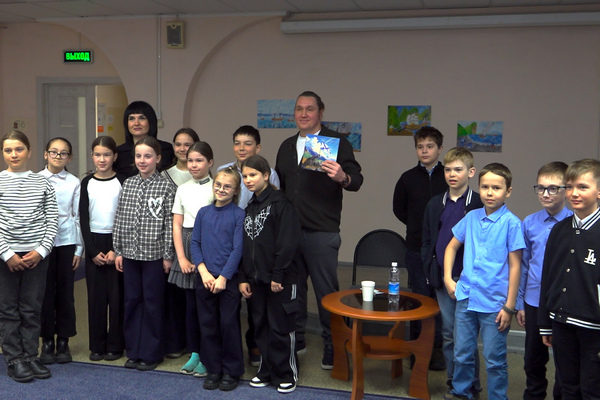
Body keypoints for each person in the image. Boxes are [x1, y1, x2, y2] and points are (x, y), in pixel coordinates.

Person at [275, 91, 363, 369]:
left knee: (327, 293)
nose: (303, 114)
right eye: (299, 109)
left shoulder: (336, 142)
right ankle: (298, 340)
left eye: (309, 109)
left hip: (322, 232)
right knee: (294, 291)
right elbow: (280, 186)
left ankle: (333, 346)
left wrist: (342, 177)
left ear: (320, 113)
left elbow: (357, 180)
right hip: (290, 233)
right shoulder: (286, 146)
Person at [444, 163, 525, 400]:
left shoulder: (512, 223)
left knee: (494, 359)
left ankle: (497, 397)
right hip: (467, 298)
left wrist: (510, 307)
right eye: (485, 187)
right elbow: (451, 247)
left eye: (496, 188)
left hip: (495, 305)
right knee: (462, 354)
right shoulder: (471, 217)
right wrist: (448, 278)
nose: (490, 192)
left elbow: (516, 266)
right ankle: (461, 393)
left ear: (508, 191)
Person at [421, 147, 483, 399]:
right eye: (448, 170)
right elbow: (427, 239)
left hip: (469, 280)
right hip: (444, 279)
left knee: (465, 336)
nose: (452, 174)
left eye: (458, 169)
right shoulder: (436, 203)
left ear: (471, 172)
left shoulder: (479, 203)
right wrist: (430, 268)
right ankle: (453, 380)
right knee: (448, 334)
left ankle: (471, 385)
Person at [217, 124, 279, 366]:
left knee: (255, 297)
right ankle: (228, 349)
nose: (241, 148)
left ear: (258, 147)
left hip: (255, 238)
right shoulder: (223, 171)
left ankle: (255, 344)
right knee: (230, 294)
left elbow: (272, 205)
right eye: (237, 143)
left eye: (248, 144)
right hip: (229, 238)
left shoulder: (269, 172)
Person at [538, 158, 600, 399]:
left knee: (592, 388)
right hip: (561, 323)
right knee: (567, 386)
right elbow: (548, 277)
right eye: (570, 186)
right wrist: (545, 322)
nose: (574, 193)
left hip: (593, 328)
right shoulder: (559, 229)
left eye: (583, 187)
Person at [113, 136, 176, 371]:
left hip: (154, 256)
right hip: (129, 254)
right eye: (138, 156)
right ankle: (134, 350)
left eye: (147, 156)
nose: (142, 160)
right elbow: (120, 218)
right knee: (132, 301)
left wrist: (168, 255)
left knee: (152, 303)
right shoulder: (128, 184)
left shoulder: (167, 187)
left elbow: (170, 224)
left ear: (157, 159)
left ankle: (151, 352)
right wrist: (118, 250)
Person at [239, 155, 301, 394]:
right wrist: (244, 277)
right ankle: (266, 370)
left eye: (253, 175)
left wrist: (278, 274)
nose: (248, 180)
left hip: (280, 279)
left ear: (266, 175)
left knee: (280, 326)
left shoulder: (280, 204)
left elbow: (287, 243)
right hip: (257, 280)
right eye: (245, 176)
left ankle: (286, 373)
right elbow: (246, 247)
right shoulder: (249, 208)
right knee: (261, 326)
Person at [0, 130, 58, 383]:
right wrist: (7, 253)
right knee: (8, 310)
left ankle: (30, 355)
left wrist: (41, 251)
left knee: (32, 308)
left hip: (36, 256)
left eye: (19, 149)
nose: (14, 154)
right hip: (6, 257)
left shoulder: (42, 182)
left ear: (29, 151)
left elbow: (52, 219)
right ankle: (14, 359)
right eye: (8, 150)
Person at [393, 126, 447, 370]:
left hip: (446, 250)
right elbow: (399, 209)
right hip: (416, 248)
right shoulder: (407, 178)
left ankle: (437, 350)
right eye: (420, 147)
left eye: (430, 146)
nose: (424, 151)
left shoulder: (449, 176)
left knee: (441, 301)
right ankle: (417, 349)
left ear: (440, 148)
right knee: (419, 299)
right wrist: (418, 227)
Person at [516, 162, 570, 400]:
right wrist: (520, 303)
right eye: (541, 188)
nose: (545, 194)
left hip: (562, 303)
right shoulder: (529, 223)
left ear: (566, 190)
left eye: (553, 188)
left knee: (565, 360)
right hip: (534, 301)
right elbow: (523, 265)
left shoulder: (573, 223)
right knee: (533, 358)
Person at [191, 166, 245, 391]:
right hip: (204, 278)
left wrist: (223, 277)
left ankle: (232, 370)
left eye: (227, 187)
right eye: (218, 185)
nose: (221, 189)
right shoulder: (203, 213)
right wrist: (203, 271)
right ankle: (213, 368)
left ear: (235, 190)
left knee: (228, 324)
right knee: (208, 324)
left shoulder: (238, 215)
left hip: (227, 280)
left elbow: (238, 249)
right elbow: (195, 243)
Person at [169, 141, 214, 377]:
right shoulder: (183, 188)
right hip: (186, 245)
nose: (194, 165)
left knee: (207, 306)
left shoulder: (217, 187)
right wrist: (181, 258)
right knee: (190, 307)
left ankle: (208, 354)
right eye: (190, 160)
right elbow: (177, 224)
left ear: (210, 162)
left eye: (199, 160)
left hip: (209, 244)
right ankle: (194, 352)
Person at [80, 136, 127, 362]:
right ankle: (97, 345)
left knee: (117, 299)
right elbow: (83, 218)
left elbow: (126, 217)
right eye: (97, 155)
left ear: (114, 157)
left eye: (107, 155)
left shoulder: (123, 181)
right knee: (96, 299)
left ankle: (115, 344)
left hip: (116, 242)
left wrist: (116, 249)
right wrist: (90, 252)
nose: (102, 159)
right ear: (92, 156)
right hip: (94, 243)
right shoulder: (86, 183)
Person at [38, 137, 83, 365]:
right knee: (44, 293)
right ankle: (47, 340)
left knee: (65, 292)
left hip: (66, 242)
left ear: (69, 157)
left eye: (63, 153)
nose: (58, 156)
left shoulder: (74, 182)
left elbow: (77, 216)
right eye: (53, 152)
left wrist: (79, 248)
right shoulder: (36, 180)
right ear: (45, 154)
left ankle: (63, 340)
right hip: (41, 246)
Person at [162, 127, 200, 360]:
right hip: (172, 242)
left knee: (195, 297)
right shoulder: (164, 175)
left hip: (196, 243)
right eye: (178, 144)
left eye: (188, 144)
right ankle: (175, 342)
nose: (183, 148)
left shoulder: (204, 174)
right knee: (174, 296)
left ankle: (194, 344)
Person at [114, 100, 174, 178]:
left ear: (151, 121)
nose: (136, 123)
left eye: (142, 118)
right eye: (131, 119)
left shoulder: (166, 149)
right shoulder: (119, 152)